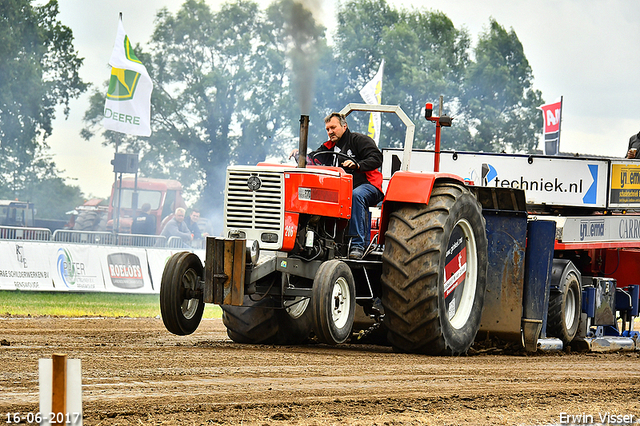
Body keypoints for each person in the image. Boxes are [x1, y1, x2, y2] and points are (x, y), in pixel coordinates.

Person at [291, 112, 383, 259]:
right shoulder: (328, 147)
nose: (330, 132)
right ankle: (313, 240)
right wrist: (300, 156)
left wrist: (357, 164)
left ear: (344, 126)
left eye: (333, 127)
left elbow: (377, 158)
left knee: (356, 195)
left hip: (368, 185)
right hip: (341, 190)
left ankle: (358, 245)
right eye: (327, 129)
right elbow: (313, 160)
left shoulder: (359, 140)